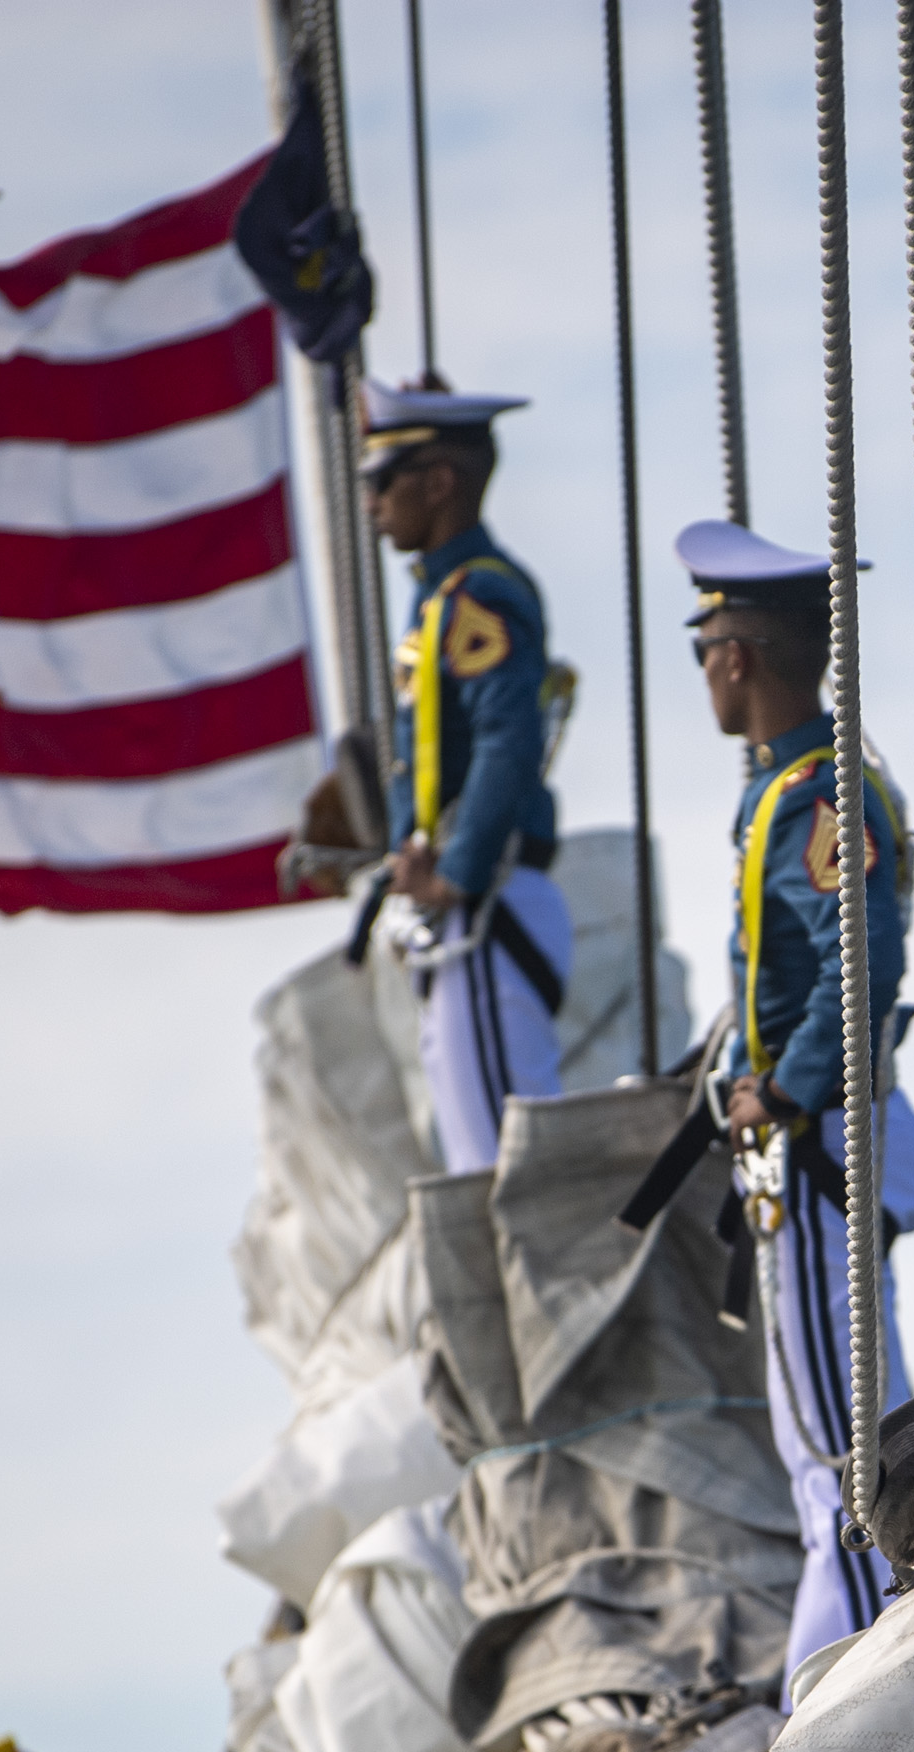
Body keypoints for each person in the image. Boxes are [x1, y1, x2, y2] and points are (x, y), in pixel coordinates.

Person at [675, 518, 914, 1681]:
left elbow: (859, 961)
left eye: (707, 648)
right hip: (804, 1150)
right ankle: (819, 1713)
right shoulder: (791, 789)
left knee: (845, 1463)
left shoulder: (818, 794)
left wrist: (782, 1086)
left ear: (743, 654)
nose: (707, 672)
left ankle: (863, 1708)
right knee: (817, 1452)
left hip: (818, 1147)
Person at [367, 380, 570, 1174]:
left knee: (504, 1173)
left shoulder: (475, 594)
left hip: (485, 906)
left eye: (385, 480)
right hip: (464, 910)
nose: (373, 501)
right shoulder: (437, 600)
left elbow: (505, 737)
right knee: (478, 1165)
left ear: (439, 481)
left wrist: (456, 871)